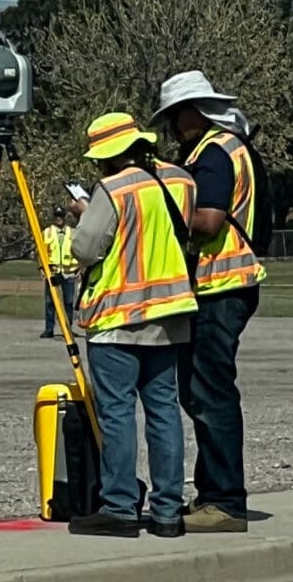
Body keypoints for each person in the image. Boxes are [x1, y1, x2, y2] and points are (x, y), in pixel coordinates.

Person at [66, 112, 197, 539]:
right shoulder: (181, 181)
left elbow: (86, 248)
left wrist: (86, 214)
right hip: (169, 315)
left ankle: (120, 508)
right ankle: (167, 512)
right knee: (163, 410)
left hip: (118, 317)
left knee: (118, 411)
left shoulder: (114, 188)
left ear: (108, 156)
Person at [150, 70, 266, 533]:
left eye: (176, 116)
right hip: (226, 285)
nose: (174, 127)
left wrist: (165, 211)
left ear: (195, 111)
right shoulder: (228, 146)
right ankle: (213, 494)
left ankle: (225, 501)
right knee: (201, 392)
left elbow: (210, 219)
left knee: (209, 393)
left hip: (222, 285)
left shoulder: (215, 153)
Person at [40, 207, 78, 339]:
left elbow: (77, 250)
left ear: (65, 217)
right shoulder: (47, 232)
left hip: (69, 272)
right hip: (53, 271)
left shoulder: (72, 232)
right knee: (50, 302)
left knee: (68, 302)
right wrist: (42, 268)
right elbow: (42, 251)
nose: (59, 218)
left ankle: (68, 329)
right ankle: (49, 329)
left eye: (61, 215)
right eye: (57, 215)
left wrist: (79, 268)